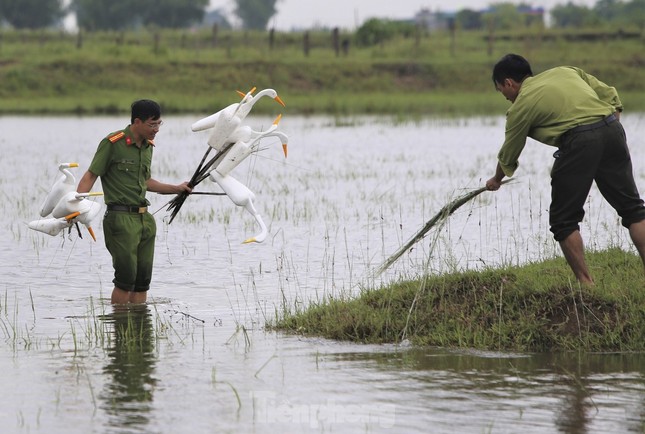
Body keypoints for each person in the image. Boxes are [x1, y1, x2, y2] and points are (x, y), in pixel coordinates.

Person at [485, 53, 645, 285]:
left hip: (579, 141)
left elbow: (509, 152)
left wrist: (496, 179)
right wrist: (609, 126)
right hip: (611, 129)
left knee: (563, 220)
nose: (505, 97)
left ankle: (587, 286)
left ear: (509, 83)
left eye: (501, 90)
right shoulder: (566, 71)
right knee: (633, 210)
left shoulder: (520, 107)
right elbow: (610, 93)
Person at [77, 100, 191, 304]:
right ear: (137, 122)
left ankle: (139, 330)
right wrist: (77, 208)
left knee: (142, 281)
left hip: (145, 220)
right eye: (152, 124)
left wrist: (177, 188)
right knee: (125, 279)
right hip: (120, 219)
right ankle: (120, 329)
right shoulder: (112, 143)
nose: (156, 129)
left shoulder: (148, 147)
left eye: (159, 124)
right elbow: (90, 176)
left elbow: (146, 182)